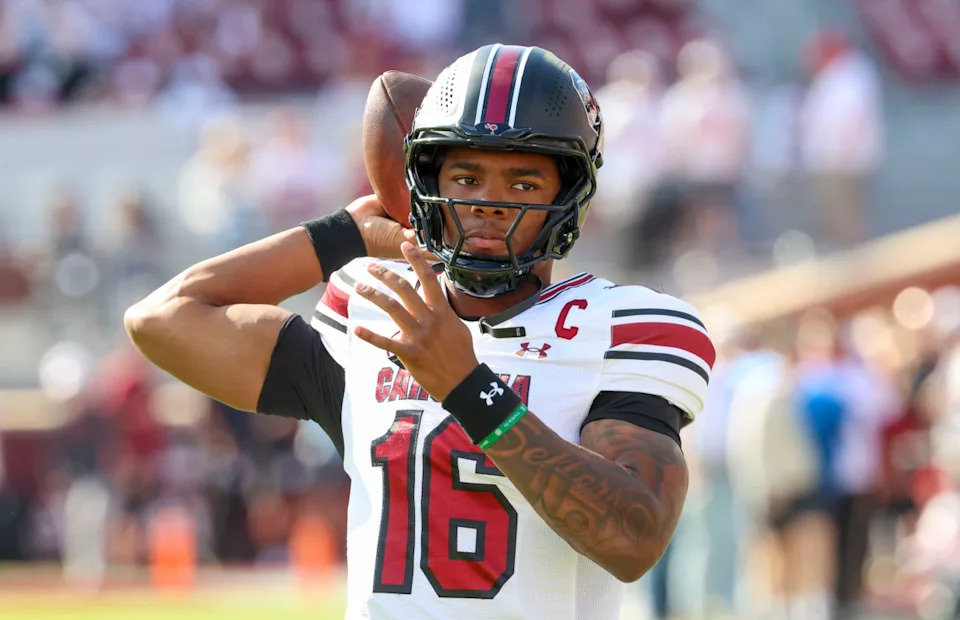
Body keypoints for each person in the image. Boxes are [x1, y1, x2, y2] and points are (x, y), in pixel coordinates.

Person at [125, 44, 715, 620]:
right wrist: (343, 235)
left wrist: (468, 387)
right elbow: (162, 318)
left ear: (569, 196)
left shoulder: (618, 328)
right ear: (423, 186)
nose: (489, 203)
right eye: (465, 176)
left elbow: (632, 540)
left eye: (523, 183)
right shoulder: (376, 309)